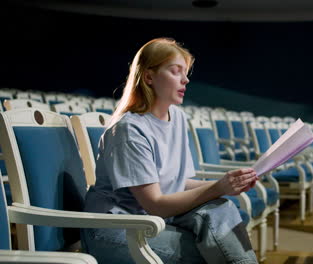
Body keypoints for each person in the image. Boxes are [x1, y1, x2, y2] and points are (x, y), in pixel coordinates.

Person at [82, 38, 259, 264]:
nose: (185, 80)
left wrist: (229, 184)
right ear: (148, 77)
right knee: (211, 252)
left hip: (152, 221)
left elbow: (179, 183)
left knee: (221, 209)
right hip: (116, 229)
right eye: (176, 72)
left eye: (185, 73)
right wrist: (218, 187)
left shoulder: (177, 117)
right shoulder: (129, 130)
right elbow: (154, 204)